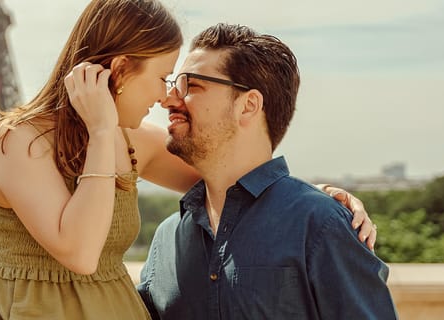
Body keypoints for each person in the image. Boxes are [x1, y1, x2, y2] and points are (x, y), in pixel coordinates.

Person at [0, 1, 376, 319]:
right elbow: (79, 252)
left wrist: (319, 201)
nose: (165, 97)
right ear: (119, 71)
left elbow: (235, 175)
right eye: (163, 78)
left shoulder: (133, 140)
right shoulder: (22, 140)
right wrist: (101, 131)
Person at [136, 23, 397, 319]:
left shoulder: (321, 225)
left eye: (191, 86)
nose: (168, 100)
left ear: (248, 105)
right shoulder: (167, 239)